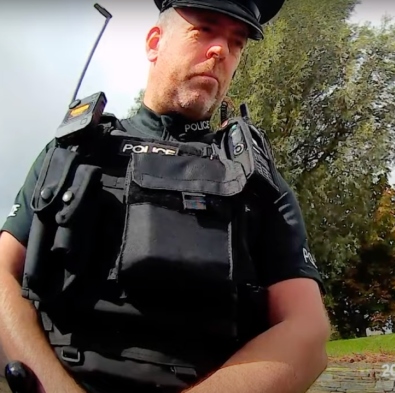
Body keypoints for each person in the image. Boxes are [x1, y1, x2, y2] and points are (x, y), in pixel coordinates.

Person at [0, 0, 330, 392]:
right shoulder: (73, 152)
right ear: (155, 42)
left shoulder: (258, 182)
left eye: (236, 42)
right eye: (204, 30)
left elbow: (307, 330)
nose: (220, 51)